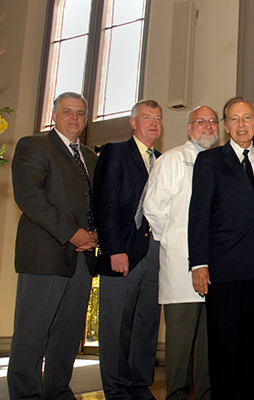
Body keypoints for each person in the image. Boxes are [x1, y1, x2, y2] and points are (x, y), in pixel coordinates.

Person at [8, 92, 98, 399]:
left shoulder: (90, 156)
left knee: (68, 334)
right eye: (68, 112)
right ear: (54, 115)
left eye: (81, 114)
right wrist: (73, 233)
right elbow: (30, 197)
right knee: (32, 334)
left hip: (82, 260)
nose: (75, 118)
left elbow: (95, 202)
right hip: (44, 256)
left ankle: (58, 392)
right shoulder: (33, 145)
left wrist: (94, 234)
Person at [188, 97, 254, 399]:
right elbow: (198, 215)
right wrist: (199, 263)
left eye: (247, 118)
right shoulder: (210, 161)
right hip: (223, 271)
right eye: (234, 119)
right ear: (226, 126)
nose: (241, 124)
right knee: (225, 348)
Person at [143, 105, 219, 400]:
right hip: (180, 268)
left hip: (214, 269)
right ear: (189, 127)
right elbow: (153, 209)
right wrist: (175, 242)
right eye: (201, 121)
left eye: (213, 121)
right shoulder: (174, 159)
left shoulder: (217, 162)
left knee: (208, 346)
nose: (208, 126)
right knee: (180, 345)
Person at [94, 99, 163, 399]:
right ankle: (117, 389)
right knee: (116, 327)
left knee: (146, 325)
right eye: (147, 117)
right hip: (122, 252)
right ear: (133, 123)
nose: (153, 123)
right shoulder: (115, 152)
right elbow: (105, 204)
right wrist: (114, 249)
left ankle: (139, 385)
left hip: (154, 256)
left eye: (158, 118)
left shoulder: (162, 160)